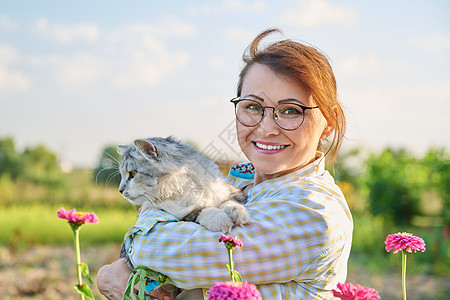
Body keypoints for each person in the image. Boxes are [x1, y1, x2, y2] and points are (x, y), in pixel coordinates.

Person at [97, 28, 353, 300]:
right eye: (253, 106)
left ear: (329, 124)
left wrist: (121, 262)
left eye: (290, 111)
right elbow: (169, 281)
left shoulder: (313, 213)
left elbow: (160, 253)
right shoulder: (238, 181)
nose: (266, 128)